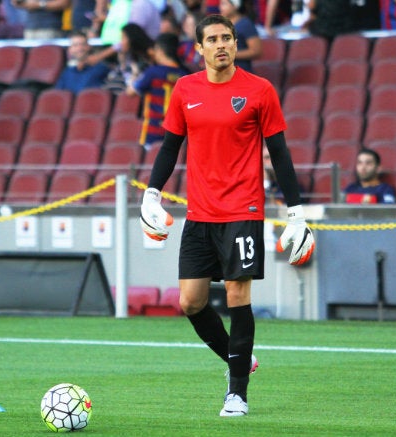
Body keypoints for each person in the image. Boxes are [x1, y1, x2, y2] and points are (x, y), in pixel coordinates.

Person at [139, 14, 314, 417]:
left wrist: (296, 212)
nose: (221, 45)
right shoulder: (184, 89)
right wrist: (152, 193)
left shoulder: (259, 91)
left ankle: (237, 392)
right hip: (199, 211)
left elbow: (280, 153)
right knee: (190, 301)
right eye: (212, 39)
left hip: (243, 207)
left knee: (237, 295)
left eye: (228, 38)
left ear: (236, 44)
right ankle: (239, 359)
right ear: (198, 48)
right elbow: (169, 147)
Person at [126, 32, 188, 150]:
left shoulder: (153, 72)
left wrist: (134, 74)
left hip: (153, 130)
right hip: (175, 132)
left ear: (160, 50)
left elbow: (131, 92)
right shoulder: (184, 75)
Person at [218, 0, 260, 72]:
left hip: (242, 71)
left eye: (224, 4)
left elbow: (256, 51)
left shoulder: (246, 24)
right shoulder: (221, 24)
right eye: (220, 4)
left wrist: (230, 54)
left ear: (235, 6)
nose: (220, 7)